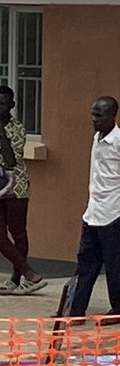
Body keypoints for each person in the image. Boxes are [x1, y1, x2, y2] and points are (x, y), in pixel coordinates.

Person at [0, 86, 45, 296]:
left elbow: (10, 160)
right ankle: (28, 271)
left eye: (2, 103)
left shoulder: (18, 128)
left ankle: (16, 279)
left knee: (18, 232)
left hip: (16, 185)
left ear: (11, 105)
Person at [65, 96, 120, 320]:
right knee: (86, 263)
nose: (93, 119)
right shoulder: (97, 138)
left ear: (112, 116)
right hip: (93, 212)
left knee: (115, 265)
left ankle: (118, 309)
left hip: (113, 213)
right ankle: (75, 311)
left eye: (98, 115)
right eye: (92, 114)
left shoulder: (118, 141)